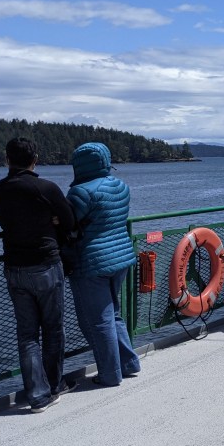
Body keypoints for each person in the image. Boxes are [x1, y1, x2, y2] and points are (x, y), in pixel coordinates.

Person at [0, 138, 77, 413]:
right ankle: (54, 386)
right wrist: (55, 221)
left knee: (27, 335)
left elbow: (8, 222)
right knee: (53, 329)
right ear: (35, 160)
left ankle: (37, 396)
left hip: (14, 267)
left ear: (7, 159)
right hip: (46, 265)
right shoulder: (45, 188)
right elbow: (70, 221)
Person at [66, 142, 141, 387]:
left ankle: (110, 374)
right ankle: (128, 363)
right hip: (121, 257)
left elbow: (66, 223)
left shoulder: (80, 192)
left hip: (92, 262)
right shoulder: (121, 186)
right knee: (113, 315)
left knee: (97, 321)